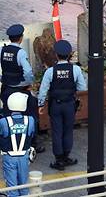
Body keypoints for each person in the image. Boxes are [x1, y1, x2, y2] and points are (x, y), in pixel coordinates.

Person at [37, 40, 87, 170]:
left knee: (57, 131)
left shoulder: (50, 72)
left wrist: (41, 104)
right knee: (68, 130)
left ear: (56, 55)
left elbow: (43, 90)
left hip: (55, 105)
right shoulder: (75, 69)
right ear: (69, 54)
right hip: (70, 104)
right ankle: (66, 155)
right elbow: (82, 87)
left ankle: (59, 160)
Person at [0, 92, 36, 197]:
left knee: (12, 186)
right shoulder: (30, 120)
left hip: (9, 157)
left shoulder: (3, 121)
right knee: (24, 184)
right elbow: (32, 134)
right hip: (24, 156)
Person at [1, 24, 34, 115]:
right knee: (24, 114)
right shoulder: (20, 52)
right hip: (19, 88)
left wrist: (2, 77)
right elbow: (28, 72)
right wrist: (29, 82)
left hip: (5, 88)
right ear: (21, 38)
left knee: (7, 114)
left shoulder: (2, 50)